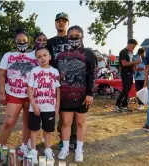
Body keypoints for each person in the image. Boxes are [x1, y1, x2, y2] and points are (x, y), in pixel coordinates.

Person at [56, 26, 95, 162]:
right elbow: (56, 75)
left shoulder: (88, 53)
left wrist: (90, 93)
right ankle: (65, 147)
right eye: (71, 36)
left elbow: (91, 74)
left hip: (82, 95)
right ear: (67, 37)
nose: (74, 38)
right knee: (66, 122)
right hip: (66, 95)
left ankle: (79, 148)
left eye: (76, 35)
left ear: (82, 37)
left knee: (80, 122)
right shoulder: (60, 56)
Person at [0, 28, 37, 154]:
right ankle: (2, 147)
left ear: (29, 41)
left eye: (24, 40)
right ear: (14, 42)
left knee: (27, 122)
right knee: (9, 121)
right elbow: (2, 74)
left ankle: (24, 145)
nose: (21, 43)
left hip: (30, 95)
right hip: (14, 94)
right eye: (19, 41)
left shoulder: (34, 55)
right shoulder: (8, 56)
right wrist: (2, 93)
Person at [47, 12, 77, 150]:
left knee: (73, 112)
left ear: (68, 24)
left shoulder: (73, 40)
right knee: (58, 111)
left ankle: (73, 139)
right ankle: (62, 136)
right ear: (55, 23)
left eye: (64, 21)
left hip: (71, 82)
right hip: (54, 82)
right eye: (58, 20)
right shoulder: (50, 42)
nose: (61, 23)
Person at [27, 46, 60, 163]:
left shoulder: (55, 71)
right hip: (35, 107)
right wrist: (34, 105)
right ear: (36, 59)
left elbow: (58, 90)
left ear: (50, 57)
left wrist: (57, 107)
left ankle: (47, 149)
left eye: (44, 55)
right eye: (39, 57)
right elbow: (29, 89)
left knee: (47, 129)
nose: (42, 58)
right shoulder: (34, 71)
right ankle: (33, 150)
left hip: (50, 107)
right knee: (34, 129)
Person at [114, 39, 141, 112]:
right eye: (133, 46)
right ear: (129, 44)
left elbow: (130, 63)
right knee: (125, 89)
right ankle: (117, 105)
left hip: (130, 72)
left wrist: (136, 66)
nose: (134, 48)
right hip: (125, 72)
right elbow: (124, 64)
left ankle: (124, 105)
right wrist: (135, 62)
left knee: (128, 89)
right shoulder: (123, 52)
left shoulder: (130, 53)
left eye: (135, 47)